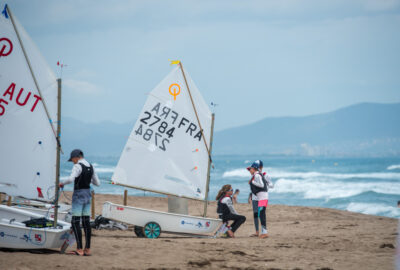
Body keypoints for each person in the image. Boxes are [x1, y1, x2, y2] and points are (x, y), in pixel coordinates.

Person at [60, 149, 100, 256]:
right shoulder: (91, 166)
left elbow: (71, 179)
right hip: (88, 195)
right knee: (86, 222)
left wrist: (62, 183)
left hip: (78, 195)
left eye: (72, 159)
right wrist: (88, 180)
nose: (72, 161)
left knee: (75, 221)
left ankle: (79, 249)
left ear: (76, 157)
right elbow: (98, 183)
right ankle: (87, 249)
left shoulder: (77, 166)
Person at [248, 160, 272, 238]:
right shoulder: (256, 175)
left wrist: (253, 182)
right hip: (260, 196)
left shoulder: (258, 175)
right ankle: (262, 232)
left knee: (262, 214)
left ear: (255, 168)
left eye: (250, 169)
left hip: (262, 197)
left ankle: (265, 233)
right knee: (260, 214)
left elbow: (262, 185)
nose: (249, 170)